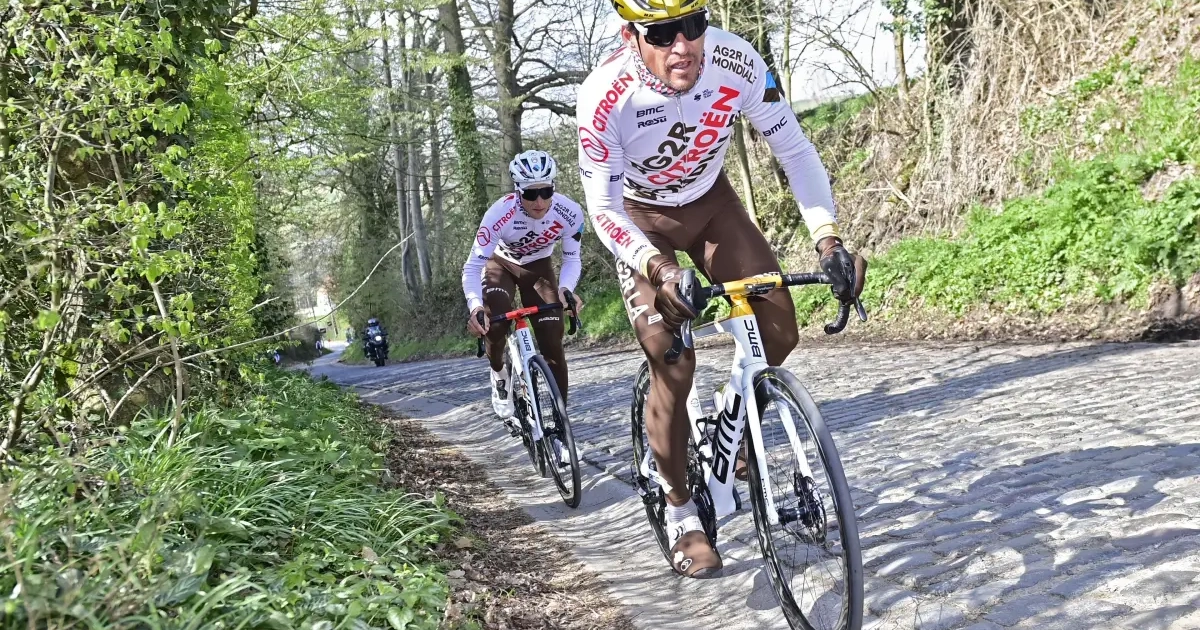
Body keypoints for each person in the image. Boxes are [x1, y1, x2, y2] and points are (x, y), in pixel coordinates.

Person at [575, 0, 867, 579]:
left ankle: (736, 426)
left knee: (778, 331)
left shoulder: (737, 61)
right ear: (632, 37)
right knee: (671, 360)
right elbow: (603, 208)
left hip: (712, 206)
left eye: (693, 25)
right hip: (641, 222)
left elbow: (795, 150)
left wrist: (828, 240)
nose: (682, 45)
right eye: (663, 33)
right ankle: (681, 509)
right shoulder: (604, 96)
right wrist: (658, 270)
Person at [461, 150, 586, 419]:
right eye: (530, 194)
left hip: (538, 268)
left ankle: (560, 424)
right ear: (518, 191)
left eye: (546, 192)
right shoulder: (499, 214)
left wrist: (565, 289)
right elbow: (471, 267)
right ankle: (499, 374)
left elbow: (572, 259)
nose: (539, 202)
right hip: (500, 265)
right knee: (495, 323)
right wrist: (475, 307)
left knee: (552, 337)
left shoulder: (570, 212)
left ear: (553, 187)